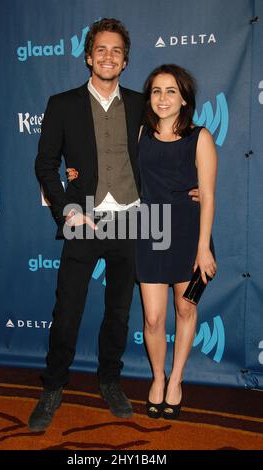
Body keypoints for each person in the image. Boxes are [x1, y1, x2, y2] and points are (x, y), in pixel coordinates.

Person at [29, 18, 199, 431]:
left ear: (125, 61)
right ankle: (53, 387)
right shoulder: (62, 104)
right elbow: (46, 165)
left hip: (134, 221)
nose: (108, 57)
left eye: (116, 51)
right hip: (82, 220)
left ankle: (110, 380)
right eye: (100, 50)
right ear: (89, 57)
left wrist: (190, 188)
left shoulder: (144, 104)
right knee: (67, 309)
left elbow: (172, 149)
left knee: (119, 312)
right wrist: (68, 209)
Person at [136, 64, 217, 419]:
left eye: (171, 91)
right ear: (149, 97)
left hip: (188, 232)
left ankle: (176, 380)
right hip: (151, 228)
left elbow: (210, 196)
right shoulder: (139, 134)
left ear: (184, 98)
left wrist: (203, 248)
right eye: (156, 91)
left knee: (185, 308)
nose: (163, 98)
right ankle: (157, 377)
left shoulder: (200, 137)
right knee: (153, 318)